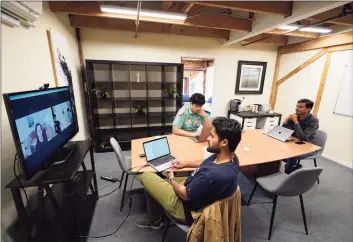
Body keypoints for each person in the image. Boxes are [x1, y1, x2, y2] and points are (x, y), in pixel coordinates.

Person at [135, 117, 241, 228]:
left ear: (224, 142)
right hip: (193, 186)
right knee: (156, 178)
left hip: (185, 208)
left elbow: (185, 195)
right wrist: (186, 163)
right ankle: (157, 211)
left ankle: (154, 220)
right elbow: (208, 163)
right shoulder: (230, 157)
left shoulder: (213, 175)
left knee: (146, 174)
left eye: (212, 136)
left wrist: (171, 178)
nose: (208, 138)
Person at [282, 98, 319, 173]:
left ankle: (289, 171)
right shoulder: (295, 116)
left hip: (307, 145)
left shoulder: (313, 121)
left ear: (308, 109)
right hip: (294, 142)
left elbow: (303, 138)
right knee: (276, 147)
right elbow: (283, 132)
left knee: (292, 153)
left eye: (300, 107)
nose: (297, 108)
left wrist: (296, 122)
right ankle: (293, 166)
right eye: (297, 106)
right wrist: (285, 122)